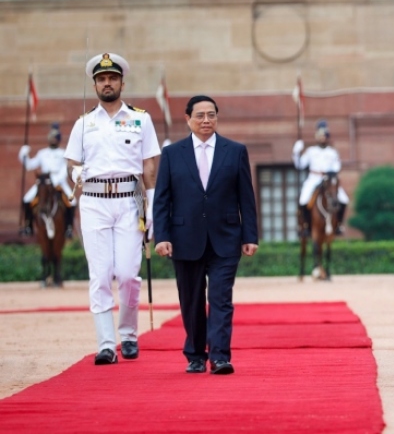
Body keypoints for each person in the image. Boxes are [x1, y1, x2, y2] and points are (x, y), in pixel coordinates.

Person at [64, 52, 161, 365]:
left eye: (112, 78)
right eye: (102, 79)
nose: (107, 83)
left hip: (128, 201)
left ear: (121, 81)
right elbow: (72, 163)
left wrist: (153, 207)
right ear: (95, 85)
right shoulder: (84, 123)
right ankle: (106, 344)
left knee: (128, 275)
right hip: (93, 202)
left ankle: (129, 334)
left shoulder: (140, 119)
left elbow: (149, 166)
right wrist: (78, 174)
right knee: (101, 274)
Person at [153, 95, 259, 375]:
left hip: (226, 238)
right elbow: (162, 199)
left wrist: (250, 235)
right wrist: (161, 236)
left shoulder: (234, 151)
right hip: (184, 238)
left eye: (211, 115)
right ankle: (196, 354)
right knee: (191, 301)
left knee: (221, 298)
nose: (206, 121)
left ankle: (220, 356)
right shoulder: (172, 154)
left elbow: (245, 197)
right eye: (199, 116)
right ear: (187, 119)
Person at [20, 123, 76, 237]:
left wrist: (57, 179)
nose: (52, 139)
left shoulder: (63, 153)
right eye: (51, 137)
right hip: (43, 182)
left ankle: (69, 228)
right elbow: (30, 165)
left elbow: (66, 168)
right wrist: (23, 155)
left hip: (59, 181)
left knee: (73, 201)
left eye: (55, 137)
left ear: (59, 139)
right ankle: (28, 226)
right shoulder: (42, 153)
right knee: (26, 199)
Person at [293, 120, 349, 236]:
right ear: (316, 137)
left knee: (344, 200)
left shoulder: (332, 152)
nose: (322, 138)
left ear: (327, 137)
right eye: (320, 136)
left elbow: (337, 167)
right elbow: (300, 165)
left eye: (324, 136)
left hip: (328, 180)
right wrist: (296, 152)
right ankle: (306, 226)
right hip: (313, 179)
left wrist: (330, 174)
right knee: (303, 200)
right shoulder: (310, 151)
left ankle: (338, 225)